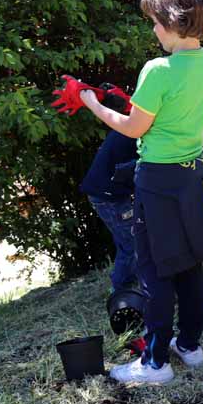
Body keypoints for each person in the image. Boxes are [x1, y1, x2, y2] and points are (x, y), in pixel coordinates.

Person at [80, 0, 203, 384]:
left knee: (156, 271)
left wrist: (93, 104)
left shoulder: (158, 70)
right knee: (188, 265)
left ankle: (156, 363)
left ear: (174, 21)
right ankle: (190, 346)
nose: (154, 28)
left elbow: (132, 128)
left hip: (158, 183)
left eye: (156, 20)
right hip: (194, 177)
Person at [79, 88, 138, 295]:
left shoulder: (133, 123)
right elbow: (130, 171)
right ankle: (121, 290)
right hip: (107, 196)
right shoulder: (139, 132)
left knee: (127, 238)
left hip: (108, 192)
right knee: (132, 242)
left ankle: (130, 281)